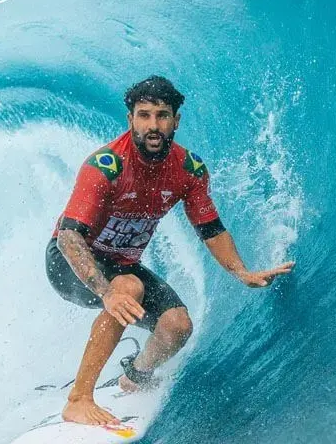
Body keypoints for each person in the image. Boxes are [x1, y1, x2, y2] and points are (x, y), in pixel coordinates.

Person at [45, 75, 295, 426]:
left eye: (162, 115)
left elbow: (210, 228)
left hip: (121, 264)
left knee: (177, 326)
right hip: (68, 261)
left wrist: (242, 273)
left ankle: (135, 375)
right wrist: (106, 292)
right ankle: (78, 400)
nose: (153, 125)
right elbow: (69, 238)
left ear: (176, 120)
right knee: (128, 288)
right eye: (144, 115)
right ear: (130, 118)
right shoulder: (106, 167)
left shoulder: (188, 170)